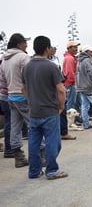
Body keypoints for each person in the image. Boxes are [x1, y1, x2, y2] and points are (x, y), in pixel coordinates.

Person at [21, 35, 68, 180]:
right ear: (47, 48)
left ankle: (34, 171)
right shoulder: (51, 66)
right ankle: (52, 170)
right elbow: (61, 90)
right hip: (49, 110)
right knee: (53, 142)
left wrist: (31, 100)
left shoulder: (27, 67)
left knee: (34, 143)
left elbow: (23, 88)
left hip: (34, 111)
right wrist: (61, 107)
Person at [0, 33, 31, 167]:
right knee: (34, 125)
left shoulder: (4, 59)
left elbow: (2, 80)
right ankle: (41, 156)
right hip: (24, 96)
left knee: (15, 127)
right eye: (25, 42)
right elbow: (30, 78)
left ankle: (18, 157)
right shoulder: (23, 57)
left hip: (11, 96)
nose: (27, 45)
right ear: (19, 44)